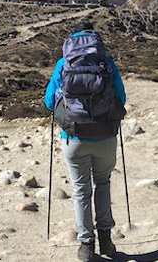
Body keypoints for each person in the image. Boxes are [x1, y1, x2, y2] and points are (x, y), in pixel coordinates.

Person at [45, 21, 127, 261]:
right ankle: (106, 241)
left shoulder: (64, 64)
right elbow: (121, 98)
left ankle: (85, 246)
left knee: (81, 190)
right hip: (105, 136)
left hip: (74, 136)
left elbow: (50, 102)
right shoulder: (107, 63)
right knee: (103, 183)